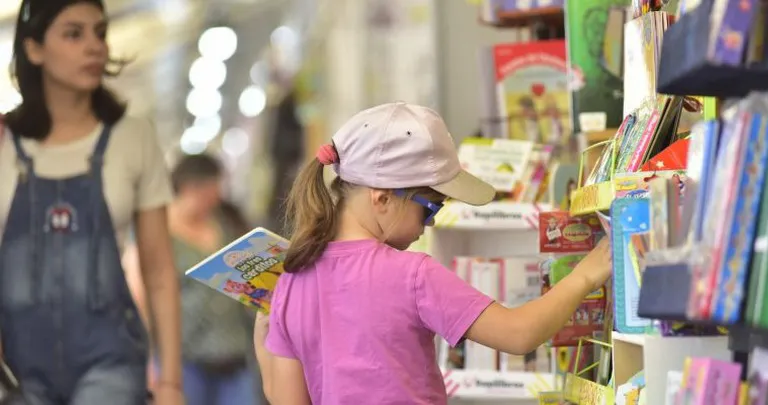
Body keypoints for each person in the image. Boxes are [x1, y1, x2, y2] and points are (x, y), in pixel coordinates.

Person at [255, 102, 612, 404]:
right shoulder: (412, 274)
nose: (428, 225)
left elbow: (284, 396)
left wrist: (265, 326)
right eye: (430, 209)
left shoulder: (291, 281)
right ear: (381, 198)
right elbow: (518, 334)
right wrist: (585, 274)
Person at [0, 1, 183, 404]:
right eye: (73, 33)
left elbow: (158, 270)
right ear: (33, 49)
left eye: (99, 32)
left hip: (110, 360)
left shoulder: (133, 137)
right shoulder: (3, 143)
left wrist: (170, 382)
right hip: (16, 369)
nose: (94, 46)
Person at [125, 154, 261, 405]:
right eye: (211, 189)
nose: (217, 197)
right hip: (183, 359)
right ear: (189, 187)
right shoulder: (155, 232)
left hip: (234, 354)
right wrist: (146, 362)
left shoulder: (228, 222)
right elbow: (138, 300)